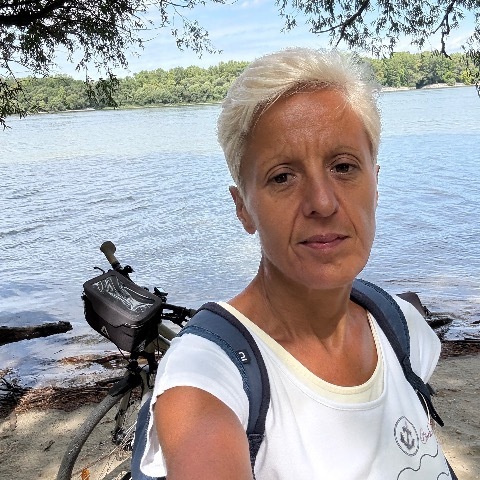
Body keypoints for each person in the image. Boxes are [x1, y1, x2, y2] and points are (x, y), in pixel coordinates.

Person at [139, 47, 452, 479]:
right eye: (282, 176)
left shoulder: (400, 328)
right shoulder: (208, 373)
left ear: (375, 184)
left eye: (344, 167)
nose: (322, 202)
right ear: (243, 208)